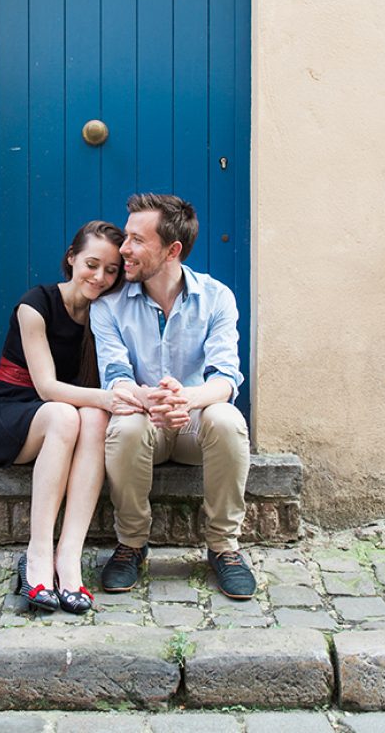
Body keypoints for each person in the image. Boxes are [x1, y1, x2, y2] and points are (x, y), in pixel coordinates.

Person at [90, 193, 256, 600]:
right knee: (125, 426)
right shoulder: (108, 307)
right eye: (125, 237)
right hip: (144, 423)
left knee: (228, 419)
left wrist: (188, 400)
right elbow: (116, 378)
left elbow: (227, 378)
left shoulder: (217, 298)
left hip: (194, 427)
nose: (123, 249)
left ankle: (223, 547)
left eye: (136, 240)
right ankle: (131, 543)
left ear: (172, 250)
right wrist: (152, 400)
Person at [0, 221, 125, 614]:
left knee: (92, 418)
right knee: (66, 414)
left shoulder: (105, 314)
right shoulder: (35, 305)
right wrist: (111, 398)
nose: (100, 277)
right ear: (71, 258)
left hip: (63, 417)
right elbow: (46, 388)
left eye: (111, 270)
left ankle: (69, 558)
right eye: (92, 264)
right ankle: (38, 555)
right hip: (7, 410)